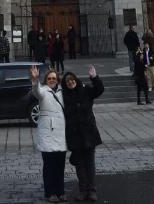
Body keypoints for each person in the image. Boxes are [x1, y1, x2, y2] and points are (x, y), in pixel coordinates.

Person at [62, 67, 104, 202]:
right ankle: (83, 190)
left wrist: (94, 77)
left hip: (88, 132)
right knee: (79, 164)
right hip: (74, 134)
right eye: (67, 81)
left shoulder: (85, 90)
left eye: (72, 80)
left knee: (90, 162)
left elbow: (99, 90)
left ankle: (92, 191)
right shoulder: (64, 96)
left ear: (76, 80)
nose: (70, 82)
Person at [30, 65, 67, 203]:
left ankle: (61, 191)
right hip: (47, 133)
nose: (52, 80)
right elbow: (36, 91)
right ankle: (50, 192)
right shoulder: (43, 91)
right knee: (49, 165)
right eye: (49, 78)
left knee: (60, 165)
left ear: (57, 80)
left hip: (61, 133)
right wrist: (35, 79)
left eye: (54, 78)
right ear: (46, 80)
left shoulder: (63, 92)